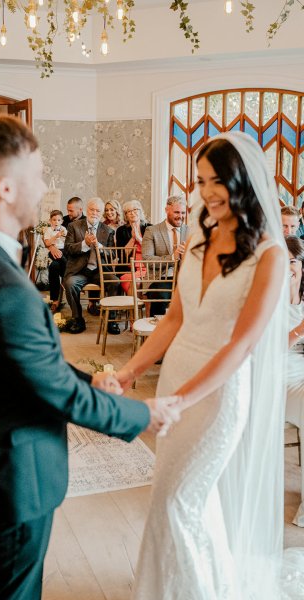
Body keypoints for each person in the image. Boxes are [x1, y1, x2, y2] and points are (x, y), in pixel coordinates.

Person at [0, 114, 175, 600]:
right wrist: (142, 413)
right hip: (12, 473)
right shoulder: (1, 285)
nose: (43, 188)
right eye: (37, 175)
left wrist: (91, 378)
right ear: (5, 187)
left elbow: (26, 367)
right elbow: (50, 389)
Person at [117, 131, 304, 599]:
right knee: (179, 500)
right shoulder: (198, 238)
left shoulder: (271, 255)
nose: (206, 192)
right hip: (179, 375)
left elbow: (241, 346)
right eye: (200, 181)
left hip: (218, 395)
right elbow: (174, 320)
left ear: (242, 180)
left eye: (217, 180)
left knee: (179, 501)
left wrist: (181, 402)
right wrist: (130, 373)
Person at [63, 197, 121, 334]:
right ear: (86, 210)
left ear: (101, 214)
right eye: (92, 209)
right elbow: (67, 249)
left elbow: (112, 255)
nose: (94, 213)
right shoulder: (74, 226)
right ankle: (78, 319)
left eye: (98, 210)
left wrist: (99, 246)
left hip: (99, 271)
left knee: (115, 282)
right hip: (79, 271)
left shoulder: (107, 231)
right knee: (70, 283)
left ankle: (111, 321)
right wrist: (85, 244)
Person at [142, 194, 188, 314]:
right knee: (160, 295)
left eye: (183, 213)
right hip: (160, 278)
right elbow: (147, 260)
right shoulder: (152, 231)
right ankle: (157, 330)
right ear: (166, 210)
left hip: (186, 279)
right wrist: (173, 257)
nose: (180, 216)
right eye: (177, 212)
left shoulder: (190, 231)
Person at [285, 235, 304, 527]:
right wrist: (299, 331)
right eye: (283, 261)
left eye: (293, 261)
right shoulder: (266, 297)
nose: (289, 267)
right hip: (280, 366)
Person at [115, 199, 150, 294]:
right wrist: (133, 239)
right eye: (128, 211)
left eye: (135, 209)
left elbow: (152, 250)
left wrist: (139, 239)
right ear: (125, 215)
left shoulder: (150, 228)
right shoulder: (121, 230)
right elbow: (121, 254)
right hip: (128, 268)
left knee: (140, 282)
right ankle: (134, 308)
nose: (132, 213)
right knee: (136, 283)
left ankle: (134, 308)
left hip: (148, 267)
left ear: (140, 211)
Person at [43, 209, 67, 313]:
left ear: (61, 221)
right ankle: (67, 275)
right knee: (61, 258)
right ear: (50, 221)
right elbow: (47, 243)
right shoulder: (48, 230)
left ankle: (55, 300)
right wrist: (55, 236)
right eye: (54, 220)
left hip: (64, 250)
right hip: (53, 251)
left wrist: (64, 234)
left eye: (58, 220)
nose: (56, 222)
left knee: (54, 266)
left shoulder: (63, 229)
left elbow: (68, 240)